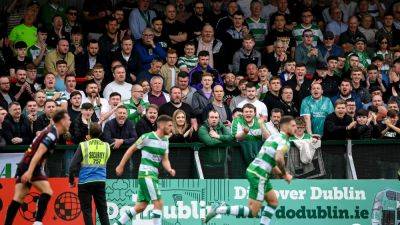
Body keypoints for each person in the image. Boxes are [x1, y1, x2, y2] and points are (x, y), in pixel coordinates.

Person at [204, 116, 296, 225]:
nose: (295, 128)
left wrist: (280, 173)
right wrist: (285, 174)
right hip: (259, 175)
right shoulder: (285, 142)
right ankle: (219, 209)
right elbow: (279, 158)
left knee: (273, 202)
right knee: (253, 212)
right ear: (285, 126)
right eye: (293, 125)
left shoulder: (273, 137)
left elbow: (271, 160)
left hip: (255, 171)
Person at [3, 110, 71, 225]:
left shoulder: (51, 132)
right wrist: (30, 172)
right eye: (68, 119)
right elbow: (38, 153)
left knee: (18, 198)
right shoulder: (51, 134)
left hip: (24, 164)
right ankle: (38, 222)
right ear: (62, 121)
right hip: (30, 165)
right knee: (47, 191)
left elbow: (42, 156)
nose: (70, 122)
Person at [112, 115, 176, 225]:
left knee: (141, 206)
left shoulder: (166, 141)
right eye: (170, 125)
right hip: (146, 173)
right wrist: (120, 165)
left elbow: (165, 159)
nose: (172, 128)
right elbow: (131, 150)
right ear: (161, 125)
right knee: (159, 203)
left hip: (153, 175)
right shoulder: (147, 137)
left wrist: (169, 169)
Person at [69, 123, 110, 225]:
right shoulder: (106, 146)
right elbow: (105, 160)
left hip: (85, 182)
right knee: (102, 211)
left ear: (88, 134)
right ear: (100, 133)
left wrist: (71, 180)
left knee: (87, 211)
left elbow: (72, 166)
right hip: (100, 181)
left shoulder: (83, 145)